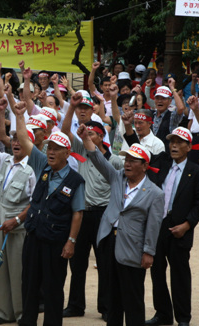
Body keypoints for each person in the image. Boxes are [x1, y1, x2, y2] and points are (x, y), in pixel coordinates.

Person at [77, 124, 164, 326]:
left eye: (133, 161)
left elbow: (153, 226)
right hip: (109, 243)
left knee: (133, 298)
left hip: (133, 248)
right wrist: (85, 139)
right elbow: (98, 159)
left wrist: (149, 251)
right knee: (112, 298)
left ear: (144, 165)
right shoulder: (117, 178)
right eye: (126, 160)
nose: (127, 164)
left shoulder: (155, 193)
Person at [12, 99, 85, 326]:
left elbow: (78, 213)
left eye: (56, 150)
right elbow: (25, 139)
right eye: (49, 148)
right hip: (33, 236)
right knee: (29, 284)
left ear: (67, 153)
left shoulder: (75, 180)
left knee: (53, 288)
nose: (51, 152)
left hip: (56, 242)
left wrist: (71, 241)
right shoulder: (42, 165)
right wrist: (20, 115)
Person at [61, 98, 123, 321]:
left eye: (92, 134)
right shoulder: (82, 152)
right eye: (86, 135)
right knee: (76, 263)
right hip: (82, 213)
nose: (87, 137)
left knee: (105, 263)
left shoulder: (114, 161)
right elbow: (65, 130)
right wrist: (70, 107)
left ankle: (106, 308)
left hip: (104, 214)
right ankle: (75, 305)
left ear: (101, 137)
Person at [0, 108, 36, 325]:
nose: (16, 143)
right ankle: (4, 313)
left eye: (20, 139)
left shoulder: (33, 168)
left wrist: (18, 220)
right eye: (13, 139)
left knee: (19, 273)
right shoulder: (5, 160)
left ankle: (21, 314)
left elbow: (35, 203)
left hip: (19, 230)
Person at [143, 127, 199, 326]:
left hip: (180, 230)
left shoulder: (195, 171)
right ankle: (163, 314)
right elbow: (141, 151)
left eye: (179, 142)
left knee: (180, 275)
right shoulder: (162, 163)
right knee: (157, 272)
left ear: (189, 147)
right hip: (158, 227)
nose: (174, 146)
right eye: (172, 142)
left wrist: (187, 225)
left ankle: (183, 318)